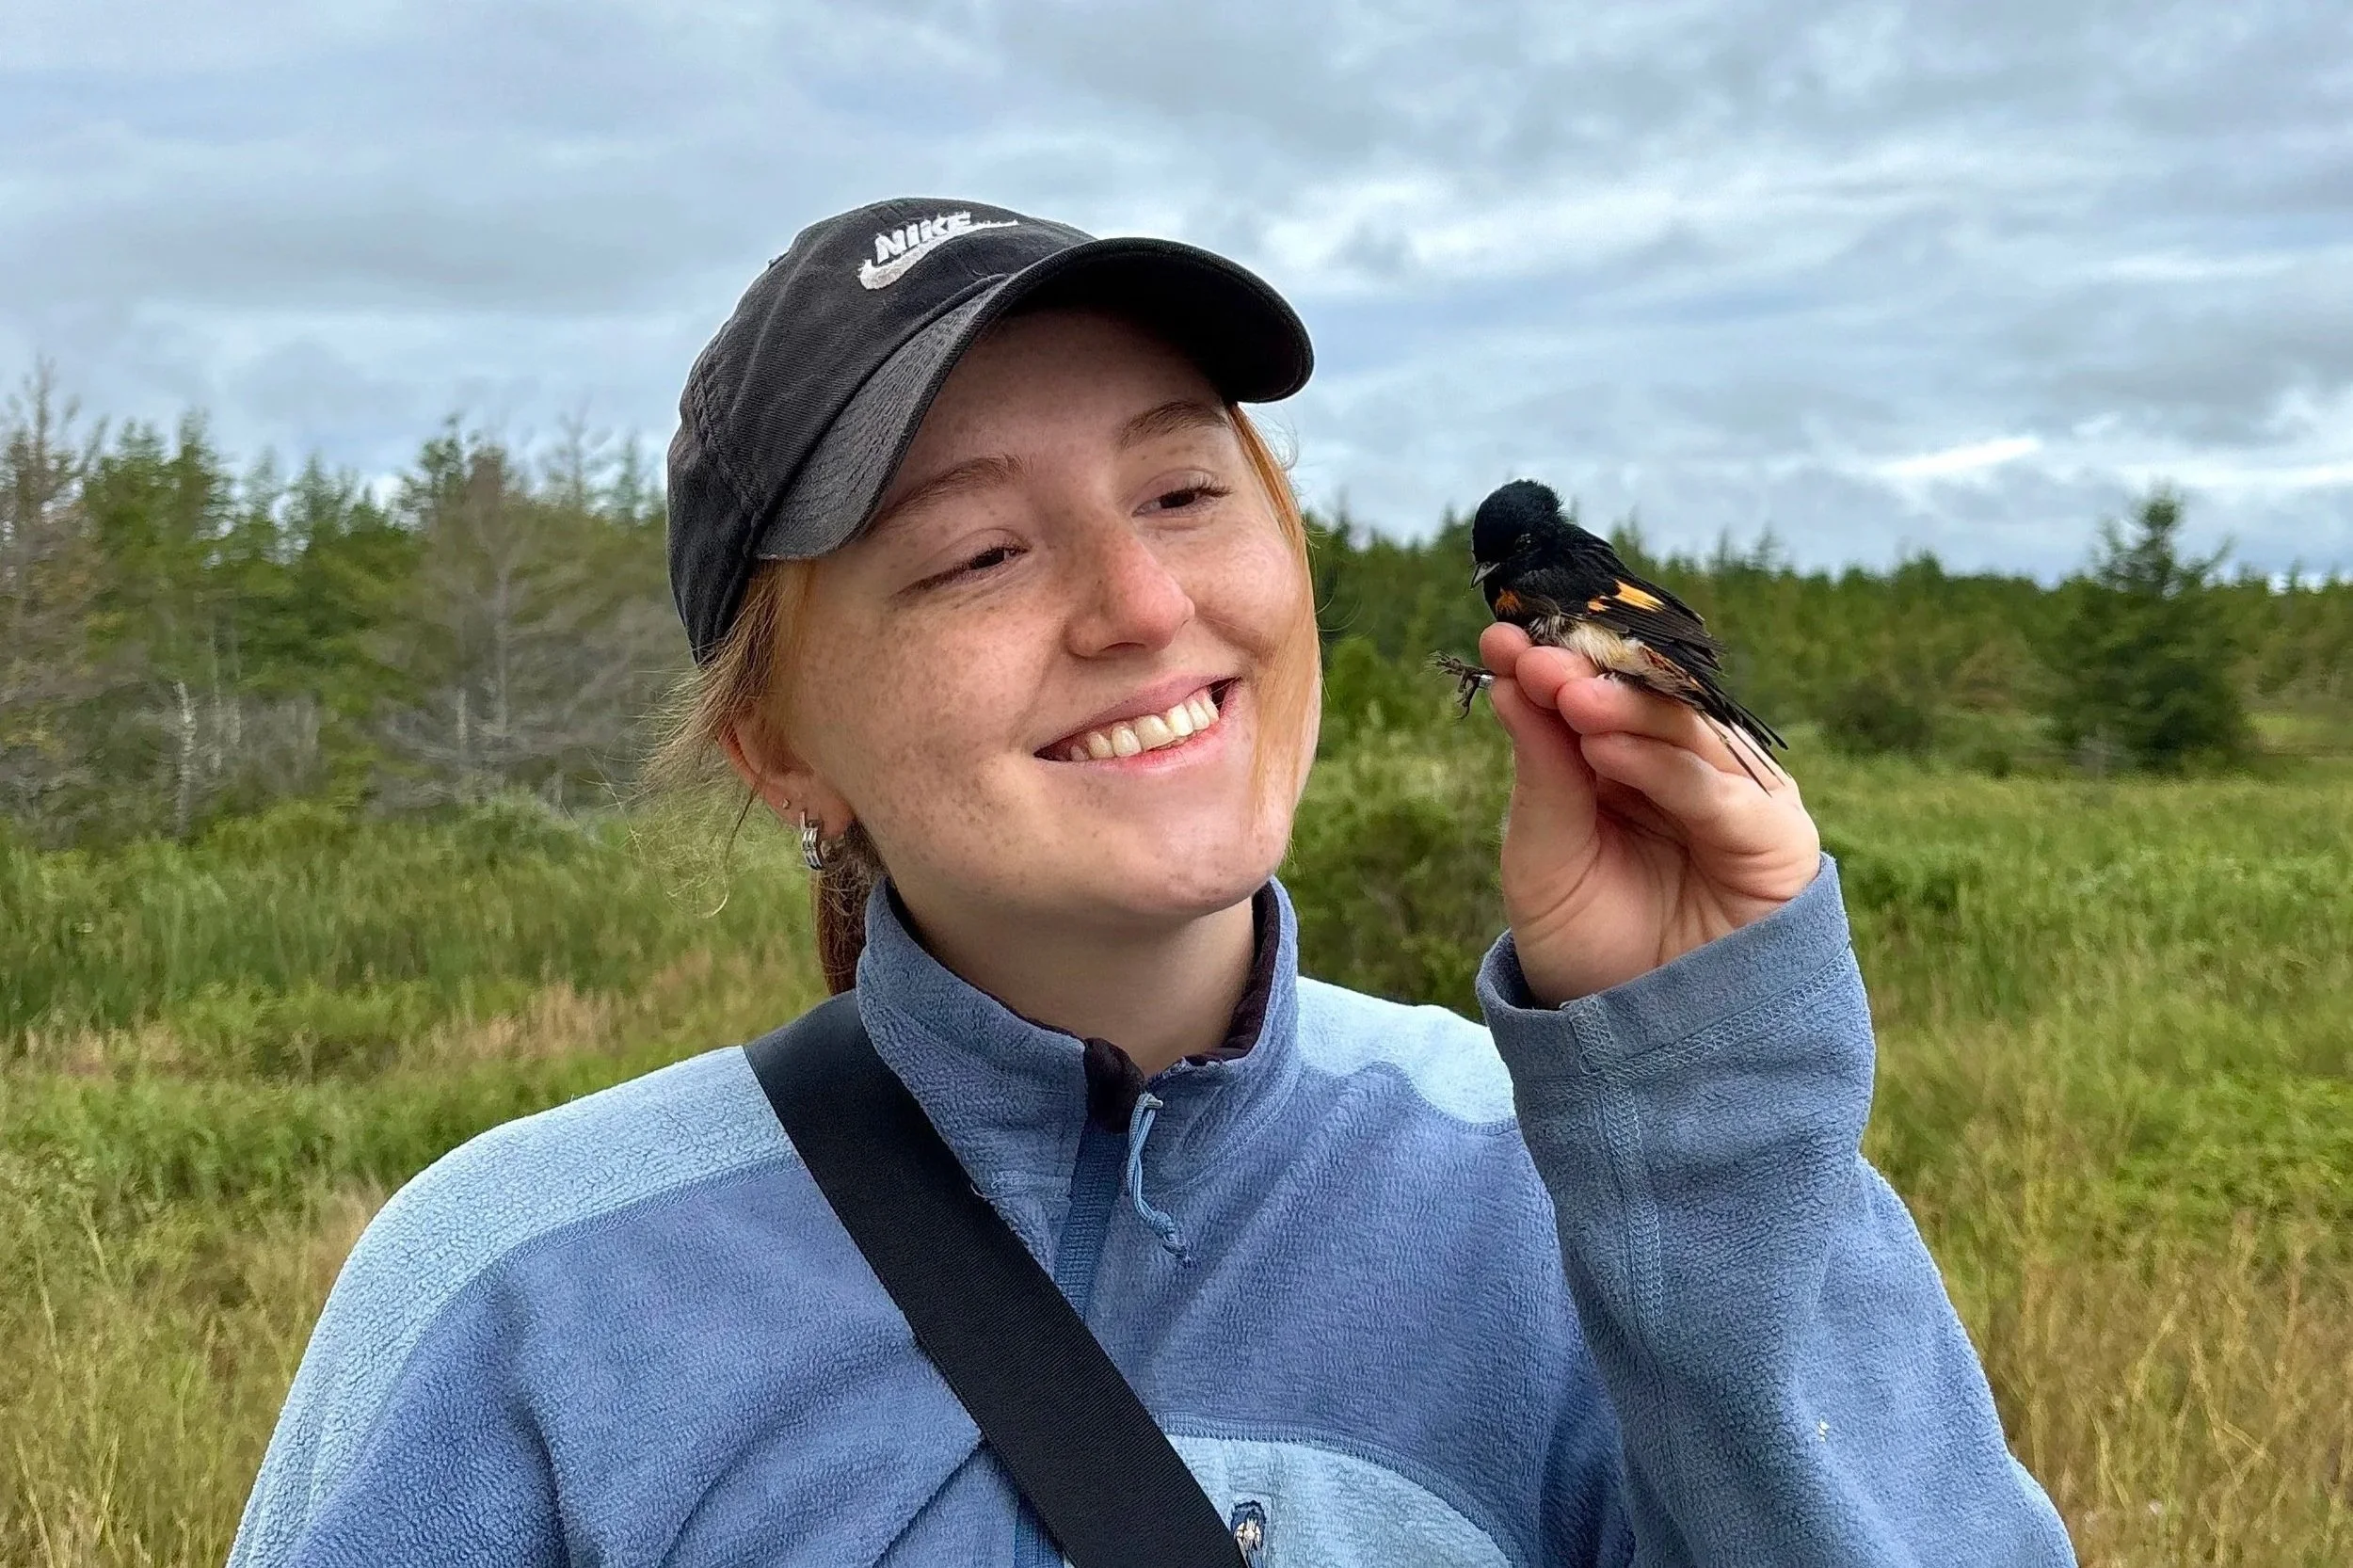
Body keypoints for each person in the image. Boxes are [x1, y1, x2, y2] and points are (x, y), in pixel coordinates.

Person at [229, 198, 2077, 1567]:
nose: (1137, 606)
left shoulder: (1556, 1207)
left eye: (1182, 492)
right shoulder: (513, 1292)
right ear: (776, 748)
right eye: (973, 551)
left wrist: (1699, 1100)